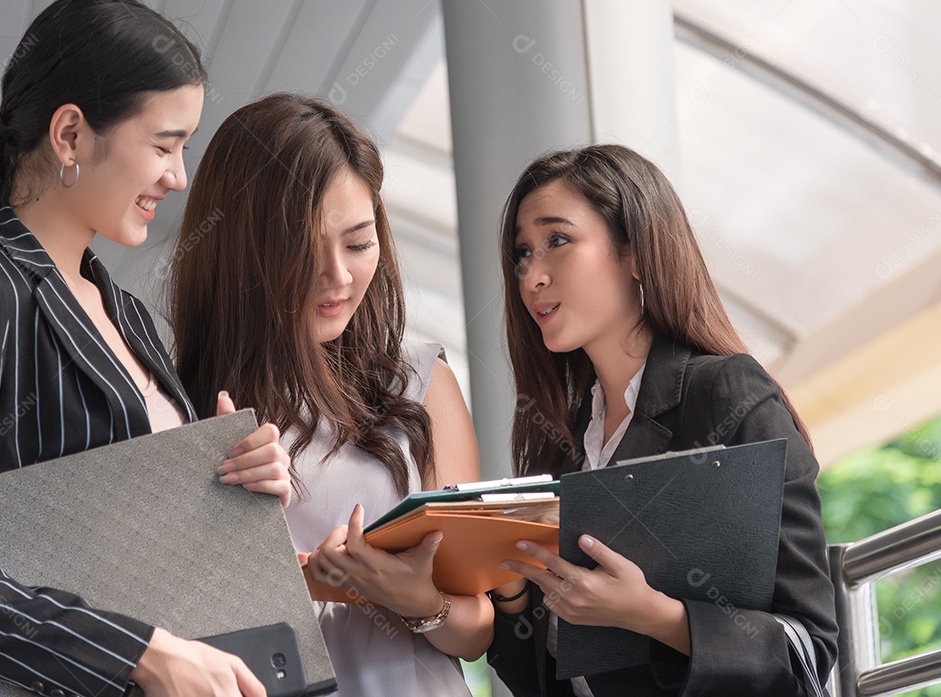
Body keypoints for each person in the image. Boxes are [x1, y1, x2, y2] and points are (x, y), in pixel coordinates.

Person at [0, 0, 291, 697]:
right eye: (164, 144)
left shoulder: (129, 317)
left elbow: (125, 548)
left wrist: (231, 484)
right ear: (70, 136)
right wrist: (136, 654)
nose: (179, 177)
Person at [170, 92, 492, 696]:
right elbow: (167, 616)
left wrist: (422, 601)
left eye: (358, 242)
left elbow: (476, 629)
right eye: (304, 247)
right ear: (242, 250)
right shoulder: (177, 407)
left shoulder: (420, 384)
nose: (339, 276)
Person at [487, 145, 838, 696]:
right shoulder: (560, 444)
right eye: (523, 254)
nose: (532, 275)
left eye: (558, 241)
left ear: (633, 251)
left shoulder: (726, 395)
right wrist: (509, 594)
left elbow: (806, 651)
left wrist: (655, 616)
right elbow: (543, 679)